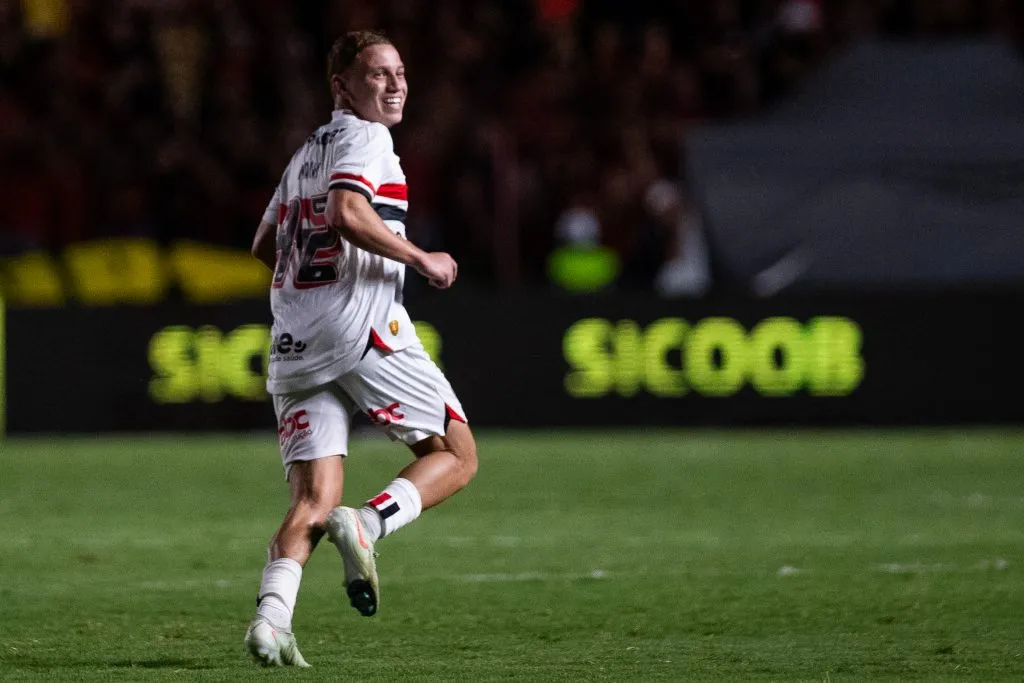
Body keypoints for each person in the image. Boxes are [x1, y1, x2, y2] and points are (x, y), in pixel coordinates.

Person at [243, 30, 478, 668]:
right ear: (342, 87)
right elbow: (347, 212)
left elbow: (265, 246)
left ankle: (270, 622)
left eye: (400, 72)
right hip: (361, 329)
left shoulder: (300, 158)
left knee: (312, 500)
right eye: (378, 75)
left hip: (292, 342)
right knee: (456, 453)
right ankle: (370, 524)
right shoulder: (365, 138)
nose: (396, 85)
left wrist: (307, 287)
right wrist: (419, 256)